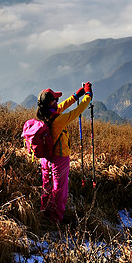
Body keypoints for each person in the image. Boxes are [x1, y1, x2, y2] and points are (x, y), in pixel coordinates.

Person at [35, 82, 92, 223]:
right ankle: (55, 220)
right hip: (59, 159)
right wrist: (88, 95)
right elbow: (78, 111)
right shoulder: (59, 120)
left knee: (47, 187)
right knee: (59, 191)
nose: (58, 102)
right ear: (51, 103)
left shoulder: (44, 114)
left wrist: (76, 95)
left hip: (45, 159)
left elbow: (62, 106)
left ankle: (45, 213)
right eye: (55, 99)